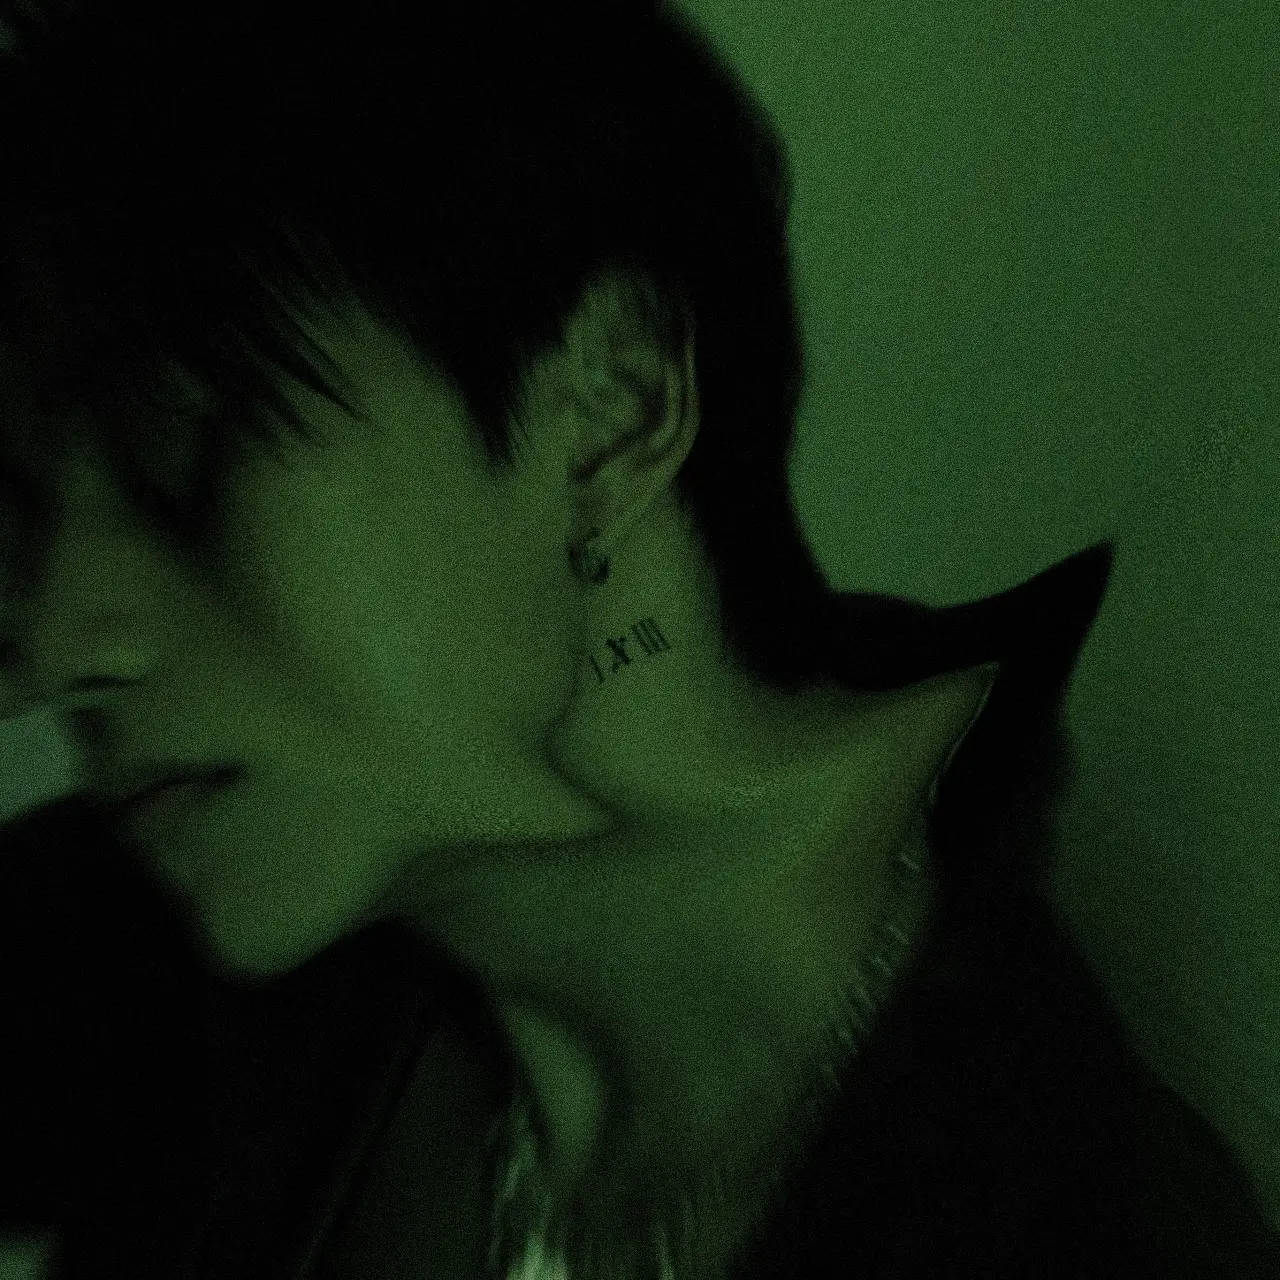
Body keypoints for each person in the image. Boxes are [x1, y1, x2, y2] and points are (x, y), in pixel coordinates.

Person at [1, 3, 1277, 1277]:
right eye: (31, 522)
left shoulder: (1076, 1222)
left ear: (609, 412)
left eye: (181, 456)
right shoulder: (167, 940)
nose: (53, 653)